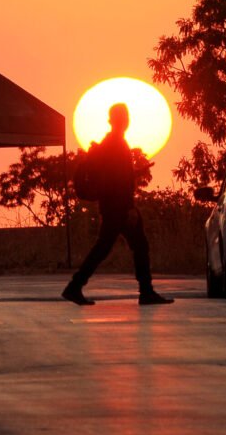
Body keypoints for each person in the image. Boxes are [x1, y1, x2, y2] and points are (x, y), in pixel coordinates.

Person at [62, 103, 173, 306]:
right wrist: (129, 208)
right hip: (119, 207)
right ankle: (145, 292)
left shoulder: (111, 143)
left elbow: (114, 176)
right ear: (119, 120)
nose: (127, 120)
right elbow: (119, 180)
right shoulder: (116, 144)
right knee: (136, 246)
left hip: (112, 205)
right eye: (124, 117)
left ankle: (75, 287)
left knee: (106, 248)